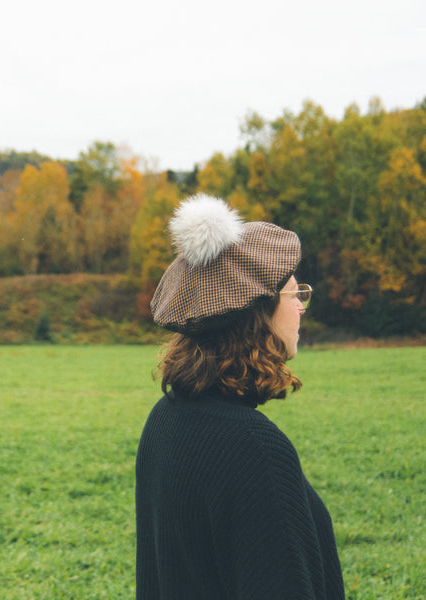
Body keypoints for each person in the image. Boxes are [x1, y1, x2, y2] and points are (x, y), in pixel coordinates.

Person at [135, 194, 345, 599]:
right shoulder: (255, 448)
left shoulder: (165, 419)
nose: (301, 308)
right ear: (257, 313)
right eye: (293, 294)